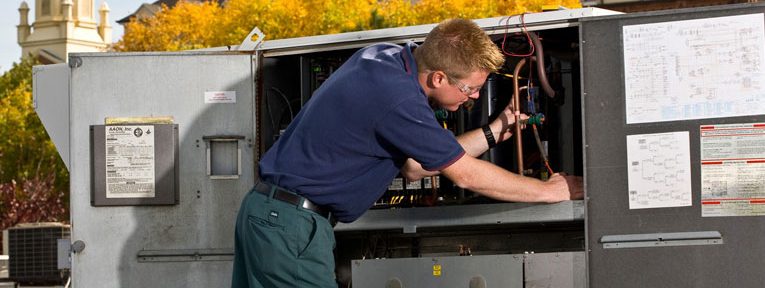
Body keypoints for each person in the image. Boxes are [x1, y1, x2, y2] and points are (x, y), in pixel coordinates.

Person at [231, 18, 583, 288]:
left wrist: (495, 131)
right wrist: (551, 191)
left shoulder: (386, 59)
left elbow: (416, 168)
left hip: (273, 217)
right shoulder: (397, 99)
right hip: (292, 228)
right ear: (438, 79)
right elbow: (463, 173)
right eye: (470, 89)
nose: (475, 98)